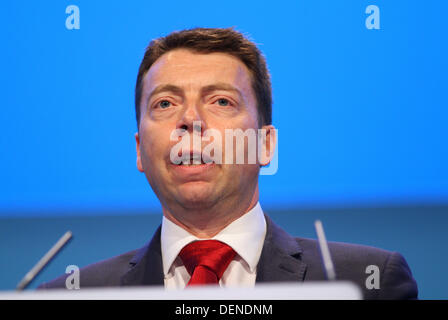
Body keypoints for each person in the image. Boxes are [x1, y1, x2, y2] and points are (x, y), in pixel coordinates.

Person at [39, 28, 418, 299]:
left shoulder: (365, 283)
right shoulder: (73, 295)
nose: (190, 119)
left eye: (221, 101)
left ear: (265, 144)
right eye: (165, 104)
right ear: (140, 150)